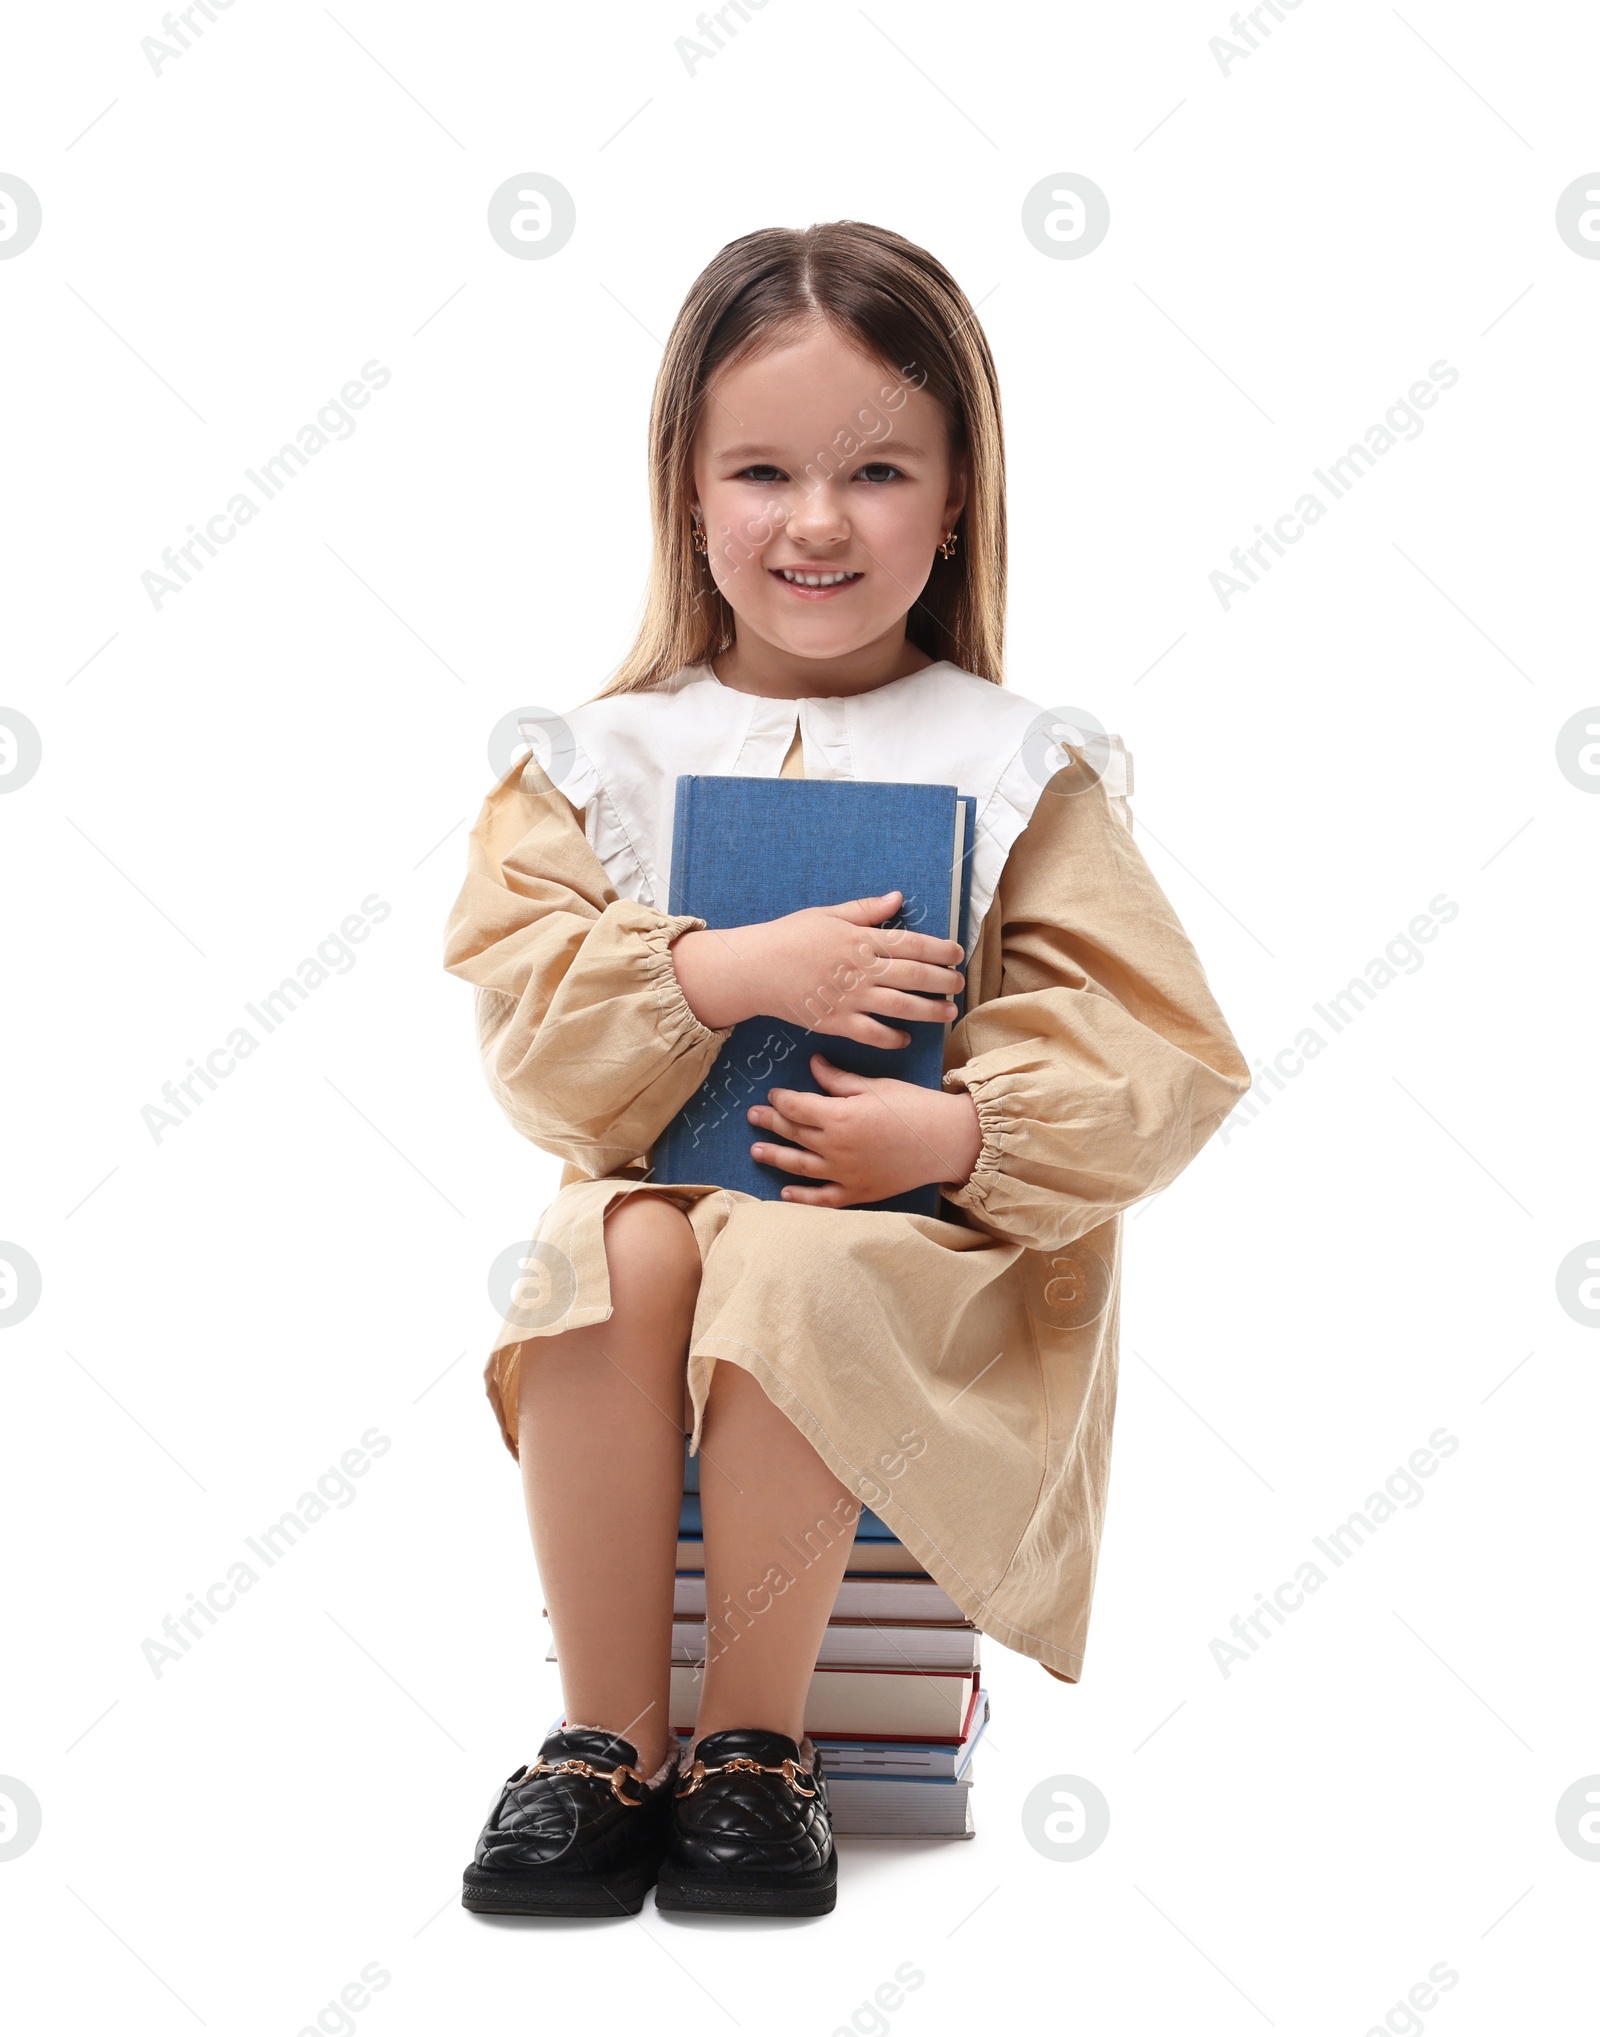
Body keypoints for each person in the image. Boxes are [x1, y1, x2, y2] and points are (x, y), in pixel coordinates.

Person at [442, 219, 1250, 1921]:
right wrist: (718, 971)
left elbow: (1152, 1050)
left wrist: (957, 1125)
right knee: (614, 1242)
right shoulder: (599, 765)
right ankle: (604, 1738)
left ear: (956, 500)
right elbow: (536, 1050)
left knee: (795, 1260)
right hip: (668, 1197)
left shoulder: (1017, 766)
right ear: (688, 490)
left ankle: (757, 1743)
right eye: (763, 471)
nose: (817, 522)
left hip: (914, 1247)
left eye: (878, 469)